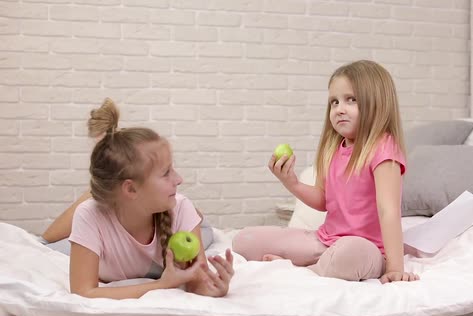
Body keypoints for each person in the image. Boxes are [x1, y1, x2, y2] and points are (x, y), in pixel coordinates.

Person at [233, 60, 419, 283]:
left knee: (348, 254)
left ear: (376, 103)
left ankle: (299, 271)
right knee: (245, 240)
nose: (339, 109)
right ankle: (316, 265)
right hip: (326, 241)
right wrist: (291, 182)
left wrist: (395, 267)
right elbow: (324, 200)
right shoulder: (333, 149)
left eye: (351, 100)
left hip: (367, 249)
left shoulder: (384, 147)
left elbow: (388, 209)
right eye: (334, 102)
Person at [67, 98, 234, 299]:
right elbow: (82, 291)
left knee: (208, 233)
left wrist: (215, 288)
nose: (179, 179)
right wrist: (163, 284)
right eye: (166, 173)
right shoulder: (89, 215)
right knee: (51, 244)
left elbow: (197, 283)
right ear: (131, 189)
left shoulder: (180, 208)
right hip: (104, 218)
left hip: (196, 225)